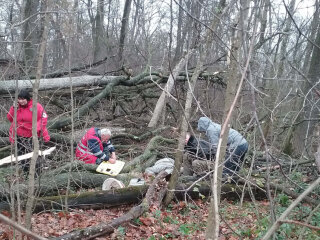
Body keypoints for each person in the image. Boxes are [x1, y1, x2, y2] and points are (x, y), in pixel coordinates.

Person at [7, 89, 50, 174]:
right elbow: (10, 118)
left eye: (23, 99)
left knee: (34, 156)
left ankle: (37, 174)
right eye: (19, 99)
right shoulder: (17, 107)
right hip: (20, 136)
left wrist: (36, 129)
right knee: (22, 157)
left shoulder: (36, 106)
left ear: (28, 98)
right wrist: (13, 108)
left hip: (32, 136)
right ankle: (26, 173)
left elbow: (44, 118)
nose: (21, 101)